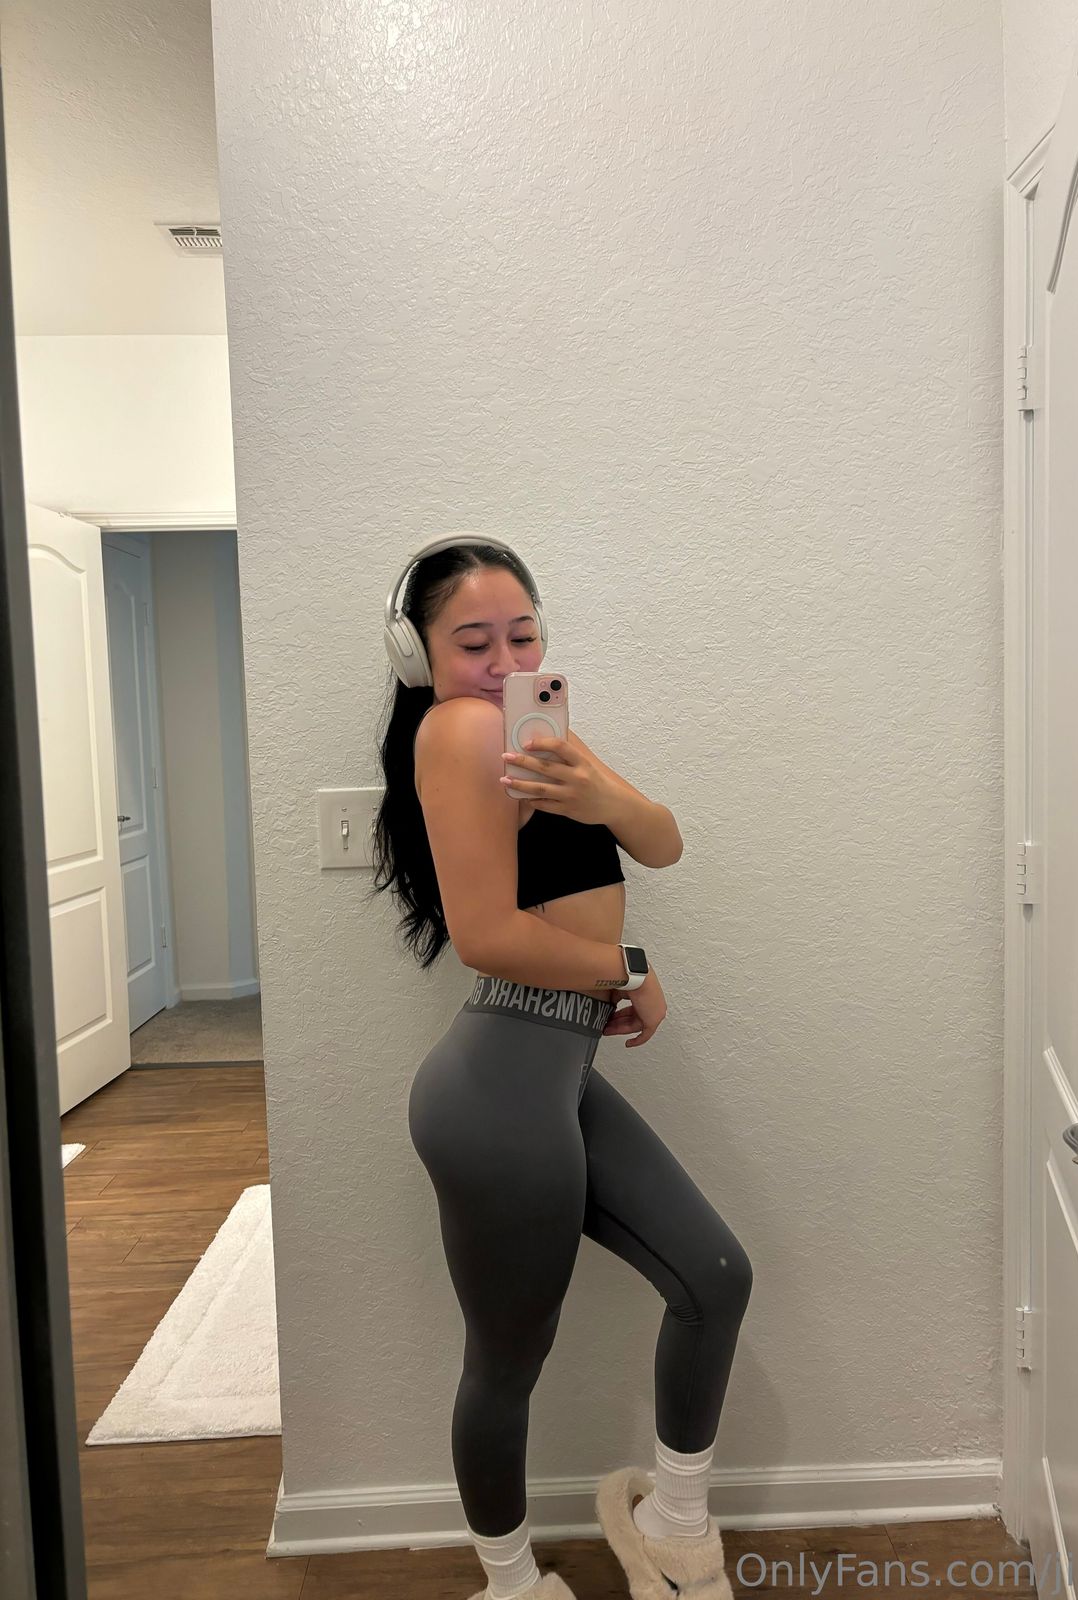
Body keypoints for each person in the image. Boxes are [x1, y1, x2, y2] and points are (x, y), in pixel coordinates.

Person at [372, 536, 753, 1600]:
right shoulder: (458, 728)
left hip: (554, 1077)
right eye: (472, 642)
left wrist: (596, 793)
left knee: (715, 1278)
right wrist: (626, 968)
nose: (503, 662)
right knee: (507, 1361)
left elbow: (664, 841)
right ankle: (511, 1584)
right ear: (417, 653)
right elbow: (487, 935)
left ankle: (675, 1525)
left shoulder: (532, 727)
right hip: (499, 1092)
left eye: (523, 634)